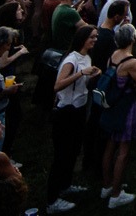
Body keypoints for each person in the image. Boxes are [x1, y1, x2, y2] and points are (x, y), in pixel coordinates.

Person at [47, 23, 100, 213]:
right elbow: (57, 85)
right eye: (92, 37)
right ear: (82, 39)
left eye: (96, 37)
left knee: (74, 149)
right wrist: (80, 73)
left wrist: (93, 75)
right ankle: (52, 199)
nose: (95, 40)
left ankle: (66, 184)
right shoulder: (72, 60)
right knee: (62, 154)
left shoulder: (86, 57)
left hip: (79, 109)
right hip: (66, 111)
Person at [99, 22, 136, 209]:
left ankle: (107, 184)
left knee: (110, 146)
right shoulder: (131, 61)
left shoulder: (113, 56)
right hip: (126, 106)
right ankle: (116, 194)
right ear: (133, 39)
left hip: (113, 105)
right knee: (123, 151)